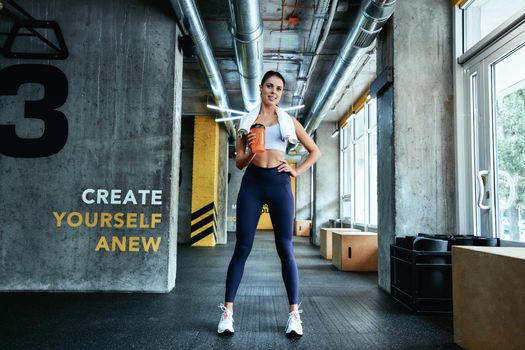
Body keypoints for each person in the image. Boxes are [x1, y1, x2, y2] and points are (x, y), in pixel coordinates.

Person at [217, 71, 321, 336]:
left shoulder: (289, 121)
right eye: (269, 87)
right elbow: (239, 163)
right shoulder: (246, 121)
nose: (274, 92)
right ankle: (228, 313)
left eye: (278, 89)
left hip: (279, 183)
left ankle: (294, 315)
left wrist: (296, 171)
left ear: (280, 93)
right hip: (252, 183)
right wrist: (251, 150)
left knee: (285, 248)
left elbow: (315, 151)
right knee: (242, 248)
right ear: (261, 88)